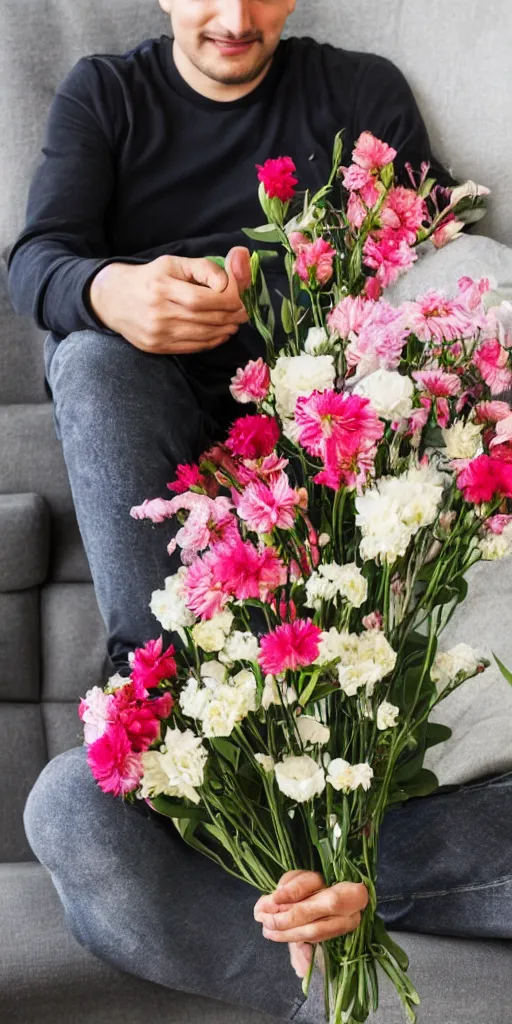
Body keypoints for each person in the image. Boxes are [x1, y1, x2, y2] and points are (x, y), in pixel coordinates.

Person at [9, 2, 512, 1021]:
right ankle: (164, 706)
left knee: (79, 812)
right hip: (154, 445)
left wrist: (302, 303)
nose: (233, 17)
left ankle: (328, 874)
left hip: (322, 449)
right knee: (96, 362)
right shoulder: (108, 95)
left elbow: (416, 269)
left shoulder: (355, 91)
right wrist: (112, 290)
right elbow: (38, 258)